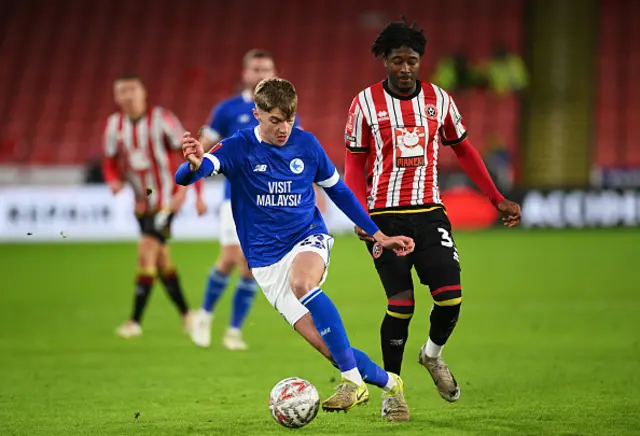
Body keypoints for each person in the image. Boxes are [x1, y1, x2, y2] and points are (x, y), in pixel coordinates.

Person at [175, 78, 412, 420]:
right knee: (330, 348)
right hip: (266, 263)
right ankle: (391, 384)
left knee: (304, 283)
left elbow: (340, 192)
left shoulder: (307, 145)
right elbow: (191, 174)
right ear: (256, 114)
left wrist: (378, 234)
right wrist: (193, 164)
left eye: (289, 119)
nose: (284, 128)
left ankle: (351, 383)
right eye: (275, 120)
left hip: (308, 238)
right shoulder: (238, 147)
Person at [343, 18, 522, 408]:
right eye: (397, 61)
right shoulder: (365, 104)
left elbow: (465, 150)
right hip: (384, 219)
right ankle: (394, 393)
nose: (405, 68)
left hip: (429, 213)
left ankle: (432, 355)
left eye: (411, 61)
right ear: (385, 62)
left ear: (420, 61)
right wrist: (362, 219)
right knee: (401, 305)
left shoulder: (439, 100)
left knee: (451, 298)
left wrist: (496, 197)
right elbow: (354, 164)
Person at [190, 49, 306, 351]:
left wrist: (309, 193)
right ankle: (203, 315)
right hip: (236, 199)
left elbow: (300, 157)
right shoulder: (226, 110)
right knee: (229, 257)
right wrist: (197, 191)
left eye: (267, 68)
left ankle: (233, 330)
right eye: (256, 69)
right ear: (245, 74)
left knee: (249, 267)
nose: (261, 74)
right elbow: (201, 154)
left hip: (269, 202)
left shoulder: (286, 111)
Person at [103, 73, 207, 339]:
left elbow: (188, 155)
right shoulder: (115, 125)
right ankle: (187, 315)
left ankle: (134, 321)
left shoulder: (162, 119)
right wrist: (113, 181)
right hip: (142, 201)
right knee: (161, 262)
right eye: (122, 91)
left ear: (143, 93)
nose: (128, 95)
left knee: (145, 252)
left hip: (167, 200)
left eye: (132, 89)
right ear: (117, 97)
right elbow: (110, 161)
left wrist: (194, 193)